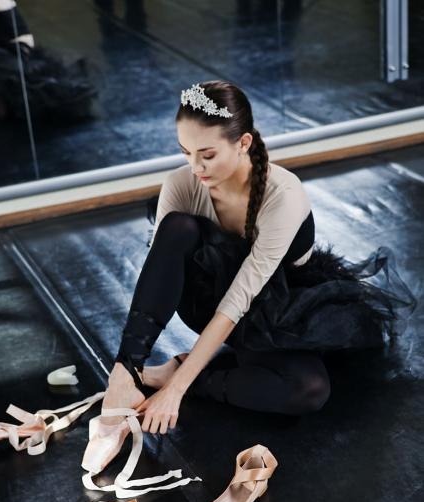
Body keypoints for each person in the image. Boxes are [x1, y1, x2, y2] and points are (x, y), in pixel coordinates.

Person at [84, 80, 417, 443]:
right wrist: (126, 367)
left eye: (207, 155)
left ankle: (185, 374)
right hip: (204, 301)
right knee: (176, 227)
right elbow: (161, 269)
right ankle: (125, 374)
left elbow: (238, 302)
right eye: (185, 152)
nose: (195, 167)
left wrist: (177, 388)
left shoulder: (283, 194)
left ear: (243, 143)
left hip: (278, 313)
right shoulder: (181, 184)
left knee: (308, 390)